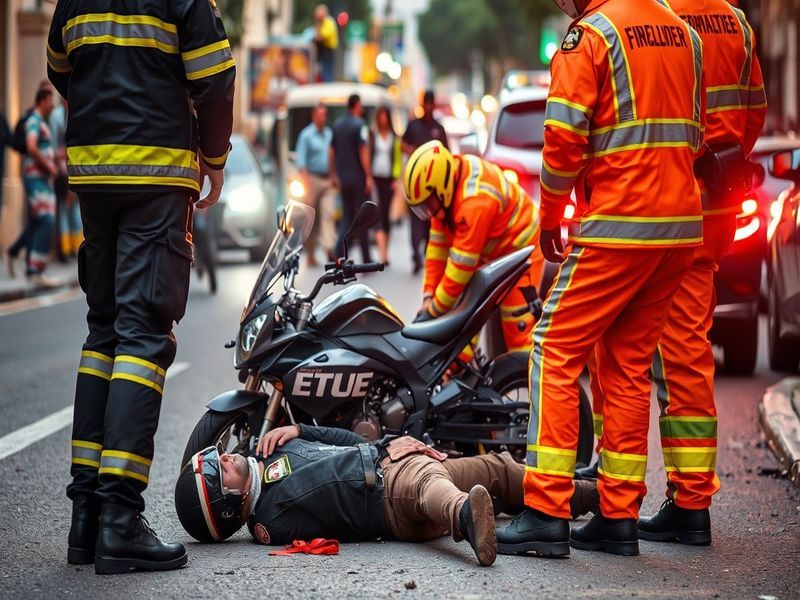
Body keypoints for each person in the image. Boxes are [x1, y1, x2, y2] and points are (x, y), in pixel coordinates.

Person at [496, 0, 704, 558]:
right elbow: (697, 128)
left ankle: (545, 511)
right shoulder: (682, 32)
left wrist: (550, 216)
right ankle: (618, 517)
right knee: (628, 363)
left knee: (551, 346)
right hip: (679, 228)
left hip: (621, 225)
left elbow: (563, 142)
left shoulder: (589, 37)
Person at [47, 0, 235, 574]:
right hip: (156, 172)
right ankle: (120, 523)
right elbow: (213, 78)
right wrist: (215, 155)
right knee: (142, 337)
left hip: (95, 175)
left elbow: (60, 65)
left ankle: (87, 520)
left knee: (102, 331)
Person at [578, 0, 767, 548]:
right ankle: (679, 496)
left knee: (630, 349)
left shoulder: (658, 19)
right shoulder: (736, 22)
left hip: (663, 206)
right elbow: (752, 115)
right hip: (714, 207)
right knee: (686, 349)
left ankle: (666, 501)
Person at [174, 424, 600, 567]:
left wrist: (303, 430)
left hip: (390, 459)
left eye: (219, 454)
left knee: (498, 471)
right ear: (226, 503)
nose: (228, 456)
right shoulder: (271, 522)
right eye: (219, 468)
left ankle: (594, 496)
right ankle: (468, 519)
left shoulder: (273, 451)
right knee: (430, 488)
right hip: (391, 495)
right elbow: (340, 513)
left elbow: (346, 442)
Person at [404, 140, 544, 360]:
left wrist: (431, 313)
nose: (428, 213)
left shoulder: (475, 202)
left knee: (517, 330)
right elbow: (436, 251)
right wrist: (429, 295)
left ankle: (533, 385)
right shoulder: (445, 191)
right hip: (487, 250)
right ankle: (460, 375)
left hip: (521, 249)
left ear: (441, 190)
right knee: (463, 322)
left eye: (428, 206)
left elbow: (459, 273)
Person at [16, 86, 59, 287]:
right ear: (43, 101)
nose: (52, 105)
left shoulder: (41, 121)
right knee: (46, 221)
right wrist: (49, 164)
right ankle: (35, 270)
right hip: (36, 178)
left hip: (40, 179)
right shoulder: (34, 120)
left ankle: (32, 268)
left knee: (36, 223)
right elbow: (32, 146)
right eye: (50, 101)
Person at [402, 90, 448, 274]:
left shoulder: (439, 127)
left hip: (435, 184)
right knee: (415, 219)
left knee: (432, 220)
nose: (429, 107)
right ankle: (415, 255)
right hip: (416, 180)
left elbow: (446, 152)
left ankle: (428, 254)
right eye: (426, 103)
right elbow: (403, 144)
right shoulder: (413, 126)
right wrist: (413, 151)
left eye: (431, 103)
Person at [330, 94, 372, 262]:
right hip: (358, 179)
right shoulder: (360, 125)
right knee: (362, 218)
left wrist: (333, 174)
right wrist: (368, 176)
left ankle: (338, 250)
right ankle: (366, 258)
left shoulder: (337, 125)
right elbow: (364, 151)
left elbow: (331, 153)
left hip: (343, 179)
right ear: (356, 105)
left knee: (347, 216)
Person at [295, 103, 336, 265]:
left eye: (325, 114)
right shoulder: (306, 135)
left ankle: (329, 249)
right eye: (320, 114)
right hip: (311, 179)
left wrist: (334, 175)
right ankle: (311, 253)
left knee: (329, 213)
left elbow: (333, 158)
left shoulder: (329, 134)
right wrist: (306, 184)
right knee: (311, 218)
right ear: (314, 116)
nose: (322, 117)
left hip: (326, 180)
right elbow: (301, 162)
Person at [50, 98, 83, 261]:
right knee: (65, 209)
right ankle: (65, 249)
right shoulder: (57, 115)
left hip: (75, 169)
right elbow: (54, 148)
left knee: (75, 212)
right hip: (63, 172)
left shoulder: (75, 110)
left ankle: (76, 249)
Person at [370, 105, 402, 265]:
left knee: (386, 214)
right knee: (377, 213)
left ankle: (385, 251)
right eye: (380, 116)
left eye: (385, 116)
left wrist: (396, 178)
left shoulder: (394, 137)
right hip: (375, 178)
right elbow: (368, 155)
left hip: (388, 180)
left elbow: (397, 159)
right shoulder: (372, 135)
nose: (383, 119)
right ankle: (382, 253)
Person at [314, 4, 339, 83]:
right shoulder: (325, 22)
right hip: (326, 49)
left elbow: (321, 36)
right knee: (325, 70)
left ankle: (328, 85)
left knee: (326, 70)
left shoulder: (328, 22)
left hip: (328, 49)